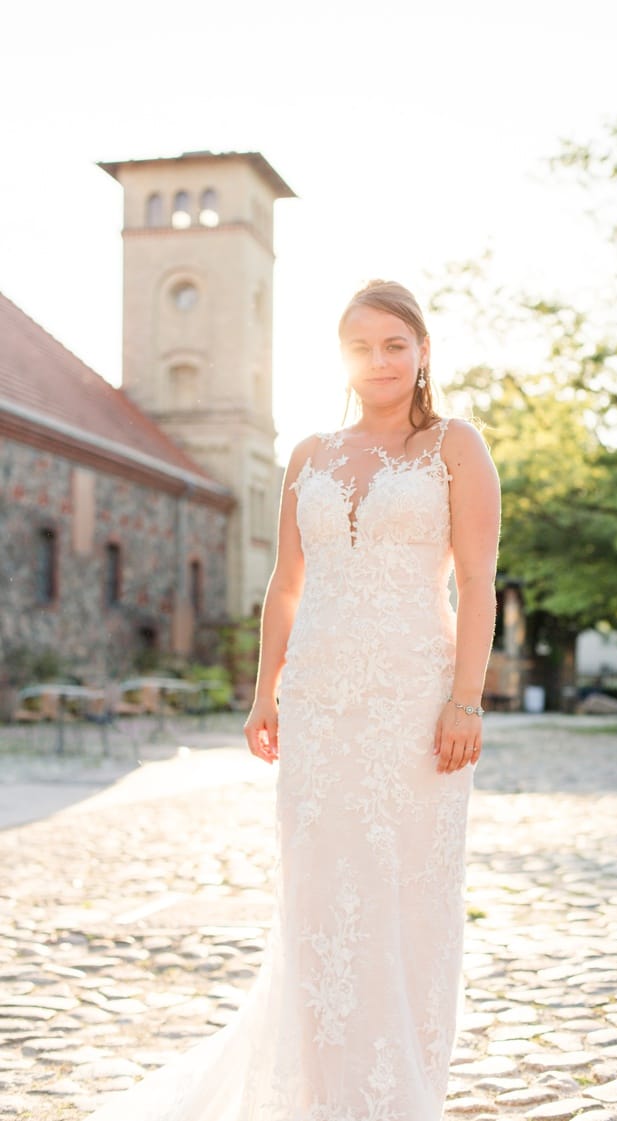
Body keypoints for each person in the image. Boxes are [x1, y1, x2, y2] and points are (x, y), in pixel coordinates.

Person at [87, 280, 502, 1119]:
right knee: (318, 891)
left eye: (395, 343)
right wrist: (263, 692)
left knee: (406, 891)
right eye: (361, 344)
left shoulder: (456, 445)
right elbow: (284, 584)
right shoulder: (310, 453)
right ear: (340, 354)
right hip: (318, 700)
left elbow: (480, 583)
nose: (378, 360)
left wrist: (467, 698)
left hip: (412, 704)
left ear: (422, 350)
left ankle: (397, 1091)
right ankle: (319, 1090)